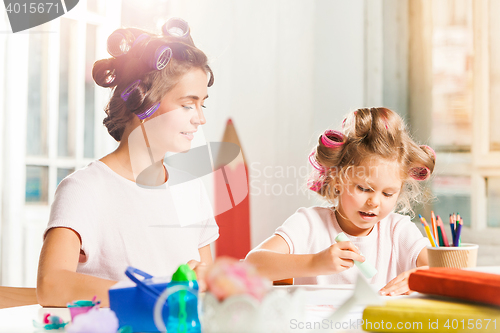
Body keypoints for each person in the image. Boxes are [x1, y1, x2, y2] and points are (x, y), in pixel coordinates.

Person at [37, 19, 218, 307]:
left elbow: (204, 284)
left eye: (202, 104)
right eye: (187, 104)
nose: (200, 118)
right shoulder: (85, 189)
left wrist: (207, 280)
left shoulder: (190, 189)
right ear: (145, 104)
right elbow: (51, 284)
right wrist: (157, 292)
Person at [246, 107, 435, 296]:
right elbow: (251, 265)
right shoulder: (310, 224)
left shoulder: (397, 230)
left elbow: (443, 270)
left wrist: (419, 278)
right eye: (363, 189)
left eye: (388, 194)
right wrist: (315, 263)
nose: (374, 202)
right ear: (337, 180)